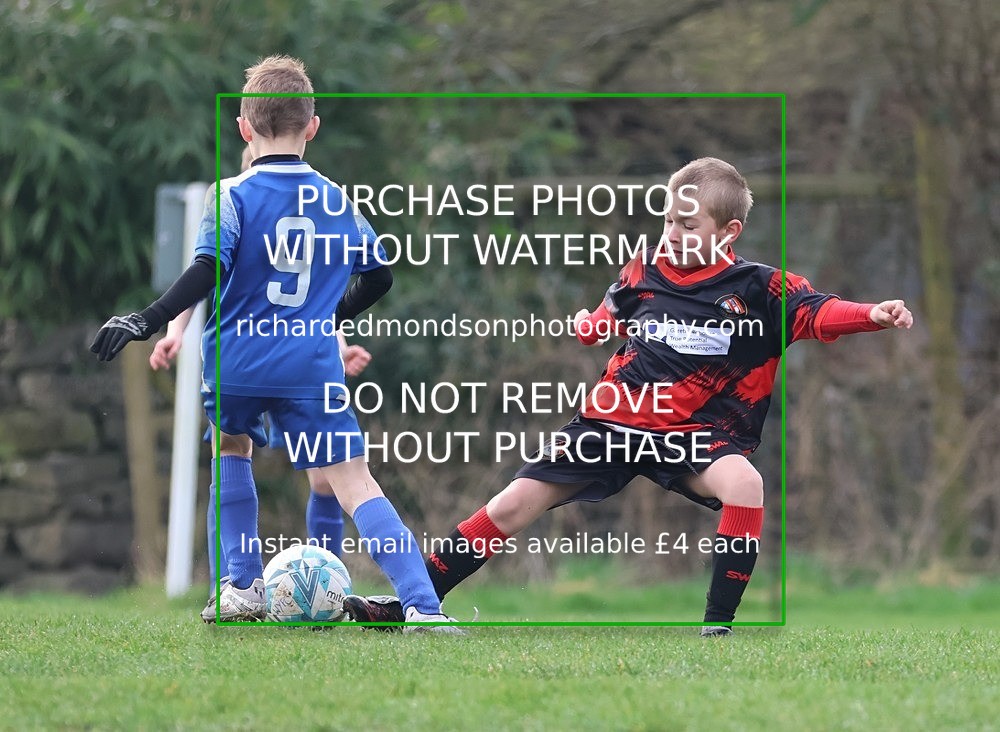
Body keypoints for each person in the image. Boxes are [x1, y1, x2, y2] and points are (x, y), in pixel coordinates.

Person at [343, 157, 913, 635]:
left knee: (746, 482)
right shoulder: (646, 269)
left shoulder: (760, 289)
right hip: (613, 422)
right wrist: (590, 324)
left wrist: (872, 315)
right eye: (669, 220)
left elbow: (818, 313)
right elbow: (610, 312)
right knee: (512, 503)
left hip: (695, 435)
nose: (673, 233)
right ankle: (414, 603)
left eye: (689, 225)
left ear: (729, 233)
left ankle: (717, 627)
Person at [91, 55, 460, 631]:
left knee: (231, 450)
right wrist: (324, 314)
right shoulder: (338, 201)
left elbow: (207, 269)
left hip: (235, 358)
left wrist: (147, 318)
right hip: (309, 361)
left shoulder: (230, 195)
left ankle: (239, 587)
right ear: (312, 126)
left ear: (244, 127)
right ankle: (423, 604)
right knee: (354, 482)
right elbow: (380, 275)